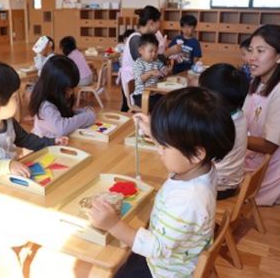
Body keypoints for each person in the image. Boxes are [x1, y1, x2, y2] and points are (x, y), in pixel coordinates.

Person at [89, 87, 236, 277]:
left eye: (165, 146)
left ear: (197, 153)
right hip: (175, 251)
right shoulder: (202, 168)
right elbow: (181, 149)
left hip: (164, 270)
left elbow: (156, 249)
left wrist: (112, 225)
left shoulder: (188, 202)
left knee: (110, 264)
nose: (159, 150)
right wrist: (156, 132)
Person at [0, 58, 68, 183]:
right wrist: (8, 166)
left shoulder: (7, 121)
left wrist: (52, 141)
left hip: (8, 181)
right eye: (15, 97)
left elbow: (26, 139)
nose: (18, 101)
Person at [243, 24, 280, 206]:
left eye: (261, 51)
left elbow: (269, 146)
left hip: (273, 166)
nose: (252, 57)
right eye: (251, 50)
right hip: (255, 156)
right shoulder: (258, 82)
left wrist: (229, 137)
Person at [199, 63, 249, 199]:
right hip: (231, 180)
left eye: (204, 93)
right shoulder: (239, 114)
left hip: (217, 186)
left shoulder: (220, 124)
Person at [29, 55, 96, 139]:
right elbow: (62, 128)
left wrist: (80, 112)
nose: (71, 92)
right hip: (43, 149)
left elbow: (62, 115)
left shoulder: (54, 98)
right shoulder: (45, 107)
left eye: (72, 88)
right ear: (54, 85)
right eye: (68, 89)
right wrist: (87, 117)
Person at [120, 5, 161, 112]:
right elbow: (149, 61)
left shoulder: (143, 38)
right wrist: (168, 53)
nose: (159, 26)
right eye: (158, 22)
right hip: (134, 84)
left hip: (141, 83)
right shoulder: (136, 39)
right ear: (151, 23)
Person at [132, 33, 169, 111]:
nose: (153, 54)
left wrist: (165, 70)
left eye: (155, 51)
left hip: (154, 93)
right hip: (141, 95)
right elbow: (139, 80)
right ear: (141, 51)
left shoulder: (156, 61)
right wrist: (150, 73)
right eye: (151, 51)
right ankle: (154, 121)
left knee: (168, 101)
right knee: (160, 106)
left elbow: (163, 68)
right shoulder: (139, 63)